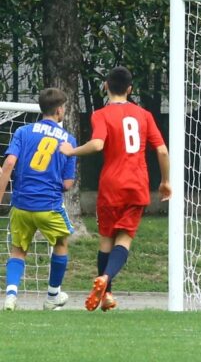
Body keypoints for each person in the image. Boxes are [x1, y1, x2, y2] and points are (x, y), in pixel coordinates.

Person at [59, 66, 171, 312]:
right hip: (137, 184)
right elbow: (162, 150)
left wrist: (72, 151)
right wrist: (165, 181)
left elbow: (98, 144)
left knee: (106, 240)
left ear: (106, 86)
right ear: (130, 90)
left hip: (111, 185)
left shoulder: (101, 115)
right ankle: (106, 286)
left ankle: (106, 290)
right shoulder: (144, 115)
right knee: (125, 239)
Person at [1, 88, 77, 311]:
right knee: (61, 243)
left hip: (21, 204)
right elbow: (68, 184)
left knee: (18, 250)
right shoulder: (68, 140)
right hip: (49, 206)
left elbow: (8, 164)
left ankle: (11, 296)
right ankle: (53, 295)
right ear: (59, 109)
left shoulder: (23, 132)